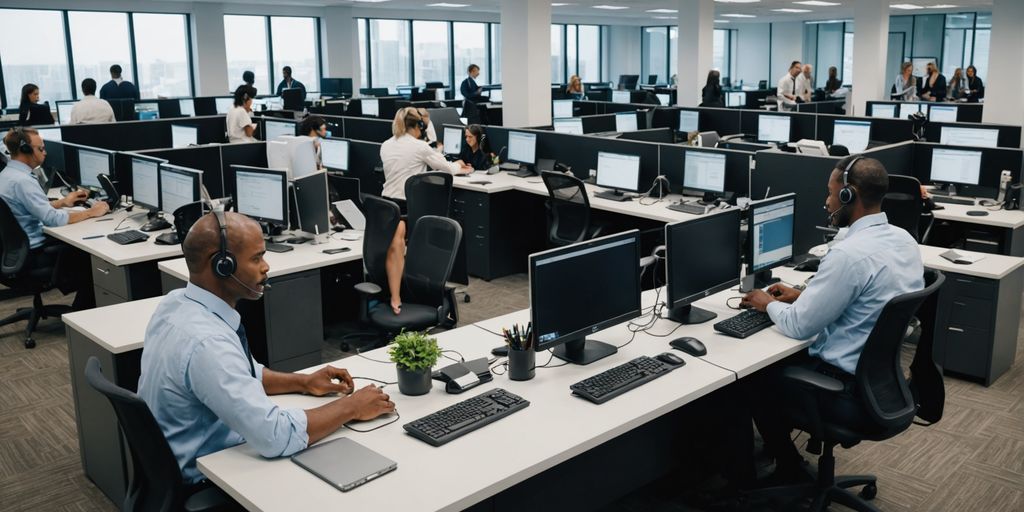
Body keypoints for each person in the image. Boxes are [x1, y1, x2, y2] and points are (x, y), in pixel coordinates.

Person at [138, 210, 395, 485]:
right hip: (210, 476)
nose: (266, 267)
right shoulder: (208, 343)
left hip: (184, 458)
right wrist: (351, 407)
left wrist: (304, 382)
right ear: (221, 265)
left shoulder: (176, 304)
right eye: (256, 258)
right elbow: (275, 436)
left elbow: (243, 373)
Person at [739, 156, 924, 483]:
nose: (826, 200)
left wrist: (767, 303)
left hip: (844, 391)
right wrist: (805, 295)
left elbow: (800, 326)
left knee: (750, 381)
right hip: (882, 384)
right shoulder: (903, 240)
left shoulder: (848, 254)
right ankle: (781, 460)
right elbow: (868, 295)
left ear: (848, 195)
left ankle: (782, 471)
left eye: (830, 192)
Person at [0, 127, 109, 310]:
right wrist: (92, 212)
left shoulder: (7, 175)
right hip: (34, 256)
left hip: (14, 253)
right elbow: (53, 220)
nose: (45, 152)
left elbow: (27, 209)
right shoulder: (23, 181)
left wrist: (62, 202)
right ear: (26, 150)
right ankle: (80, 316)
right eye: (41, 148)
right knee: (93, 260)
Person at [379, 108, 472, 314]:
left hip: (386, 206)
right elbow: (446, 169)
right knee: (398, 243)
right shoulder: (419, 147)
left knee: (395, 243)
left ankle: (397, 294)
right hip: (409, 206)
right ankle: (398, 296)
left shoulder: (386, 145)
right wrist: (459, 166)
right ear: (418, 126)